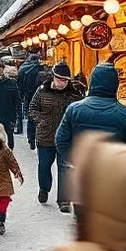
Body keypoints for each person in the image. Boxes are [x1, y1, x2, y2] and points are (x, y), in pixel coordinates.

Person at [55, 63, 126, 217]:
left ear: (92, 81)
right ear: (115, 84)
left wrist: (73, 159)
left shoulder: (74, 109)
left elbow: (61, 139)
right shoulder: (125, 114)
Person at [28, 61, 84, 213]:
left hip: (66, 139)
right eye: (59, 79)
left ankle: (64, 200)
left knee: (65, 169)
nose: (62, 83)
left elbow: (79, 114)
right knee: (44, 166)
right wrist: (40, 120)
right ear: (53, 77)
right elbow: (32, 108)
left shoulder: (74, 95)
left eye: (65, 80)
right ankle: (44, 188)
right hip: (45, 136)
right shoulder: (42, 91)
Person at [17, 52, 43, 149]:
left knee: (31, 117)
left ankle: (31, 139)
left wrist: (21, 97)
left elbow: (20, 85)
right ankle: (39, 138)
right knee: (41, 117)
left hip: (28, 96)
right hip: (41, 96)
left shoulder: (22, 69)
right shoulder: (41, 68)